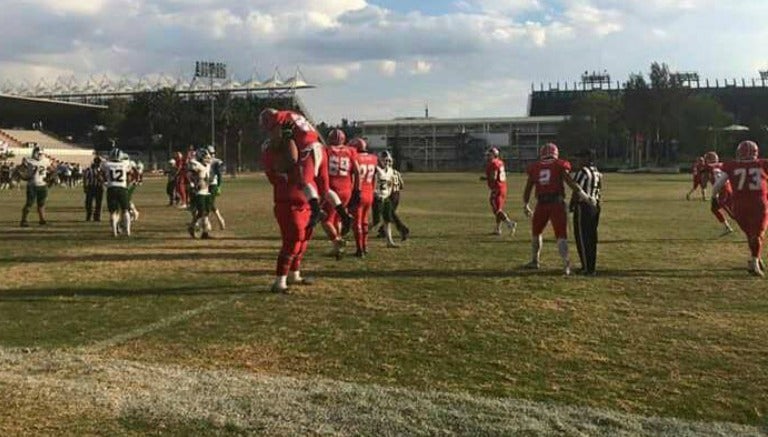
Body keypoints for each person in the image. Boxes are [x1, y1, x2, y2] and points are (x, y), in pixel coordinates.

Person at [258, 108, 353, 233]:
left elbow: (277, 140)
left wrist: (276, 145)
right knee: (325, 189)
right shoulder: (292, 114)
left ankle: (315, 210)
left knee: (303, 181)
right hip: (319, 147)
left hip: (307, 148)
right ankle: (344, 215)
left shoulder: (277, 118)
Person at [522, 142, 597, 275]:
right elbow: (571, 184)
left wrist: (526, 204)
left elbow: (528, 187)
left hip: (541, 203)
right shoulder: (560, 165)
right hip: (556, 203)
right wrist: (586, 197)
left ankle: (535, 260)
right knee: (561, 235)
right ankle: (566, 264)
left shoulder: (534, 167)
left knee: (536, 232)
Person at [262, 139, 314, 293]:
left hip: (304, 203)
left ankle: (294, 274)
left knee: (302, 242)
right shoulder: (272, 152)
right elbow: (287, 162)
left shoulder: (301, 152)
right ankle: (280, 281)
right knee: (292, 241)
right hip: (288, 203)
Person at [711, 140, 768, 276]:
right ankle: (754, 263)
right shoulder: (763, 164)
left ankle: (756, 258)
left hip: (739, 205)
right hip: (759, 204)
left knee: (751, 234)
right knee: (758, 234)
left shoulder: (732, 165)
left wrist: (714, 198)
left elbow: (718, 185)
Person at [321, 129, 358, 258]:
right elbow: (356, 171)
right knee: (337, 217)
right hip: (347, 189)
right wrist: (356, 189)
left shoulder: (325, 150)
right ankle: (337, 247)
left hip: (331, 189)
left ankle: (337, 242)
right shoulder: (350, 151)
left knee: (326, 219)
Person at [570, 149, 603, 276]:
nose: (577, 161)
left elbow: (576, 189)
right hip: (595, 205)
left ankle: (586, 268)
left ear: (586, 159)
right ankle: (591, 265)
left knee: (582, 238)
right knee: (592, 237)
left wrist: (572, 204)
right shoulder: (597, 172)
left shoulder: (583, 172)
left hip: (584, 206)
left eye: (580, 158)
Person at [349, 137, 378, 257]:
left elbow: (353, 177)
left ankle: (359, 249)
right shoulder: (373, 158)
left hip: (358, 191)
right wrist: (373, 189)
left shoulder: (355, 158)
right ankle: (365, 246)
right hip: (369, 192)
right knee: (365, 221)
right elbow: (375, 176)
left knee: (357, 222)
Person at [101, 147, 136, 237]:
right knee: (125, 210)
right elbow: (130, 173)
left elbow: (101, 174)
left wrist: (105, 182)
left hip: (111, 188)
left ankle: (114, 231)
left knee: (113, 212)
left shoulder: (106, 164)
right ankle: (128, 231)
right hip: (122, 188)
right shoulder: (125, 164)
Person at [482, 147, 517, 236]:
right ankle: (498, 229)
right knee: (499, 209)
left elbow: (494, 177)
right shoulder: (500, 162)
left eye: (489, 155)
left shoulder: (493, 163)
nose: (488, 156)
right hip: (503, 188)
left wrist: (485, 178)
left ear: (494, 155)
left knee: (497, 210)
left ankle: (510, 223)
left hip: (497, 189)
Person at [703, 151, 734, 236]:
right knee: (714, 208)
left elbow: (706, 171)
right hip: (726, 188)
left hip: (722, 189)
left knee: (733, 213)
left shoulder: (710, 167)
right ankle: (727, 227)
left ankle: (753, 225)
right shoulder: (722, 165)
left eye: (707, 159)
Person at [20, 145, 51, 227]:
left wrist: (49, 178)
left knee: (41, 204)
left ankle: (42, 220)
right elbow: (21, 170)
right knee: (29, 203)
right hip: (32, 185)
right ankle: (24, 220)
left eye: (40, 154)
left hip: (42, 185)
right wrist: (25, 176)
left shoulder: (46, 161)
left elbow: (53, 169)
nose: (39, 155)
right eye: (38, 153)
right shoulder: (28, 160)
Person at [187, 147, 215, 239]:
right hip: (199, 192)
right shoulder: (196, 165)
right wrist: (193, 183)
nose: (208, 159)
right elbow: (189, 175)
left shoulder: (207, 165)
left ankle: (202, 232)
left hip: (206, 191)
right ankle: (194, 227)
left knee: (206, 213)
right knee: (202, 213)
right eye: (205, 157)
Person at [373, 150, 399, 248]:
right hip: (377, 198)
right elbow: (370, 184)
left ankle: (389, 241)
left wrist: (388, 194)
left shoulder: (391, 171)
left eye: (388, 160)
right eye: (384, 160)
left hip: (386, 197)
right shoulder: (375, 170)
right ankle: (361, 234)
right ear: (379, 160)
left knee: (387, 220)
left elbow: (390, 185)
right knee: (376, 221)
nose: (387, 162)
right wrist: (375, 194)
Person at [208, 145, 226, 230]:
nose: (211, 155)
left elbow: (219, 175)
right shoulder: (204, 161)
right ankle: (207, 222)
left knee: (210, 203)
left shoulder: (216, 162)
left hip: (212, 184)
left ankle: (220, 219)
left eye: (212, 153)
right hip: (204, 184)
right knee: (206, 204)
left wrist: (219, 186)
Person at [83, 155, 104, 222]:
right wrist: (85, 186)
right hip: (91, 187)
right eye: (99, 162)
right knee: (89, 203)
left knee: (99, 203)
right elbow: (85, 178)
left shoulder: (102, 170)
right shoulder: (89, 169)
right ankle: (89, 216)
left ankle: (97, 217)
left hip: (99, 187)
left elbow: (105, 179)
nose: (99, 164)